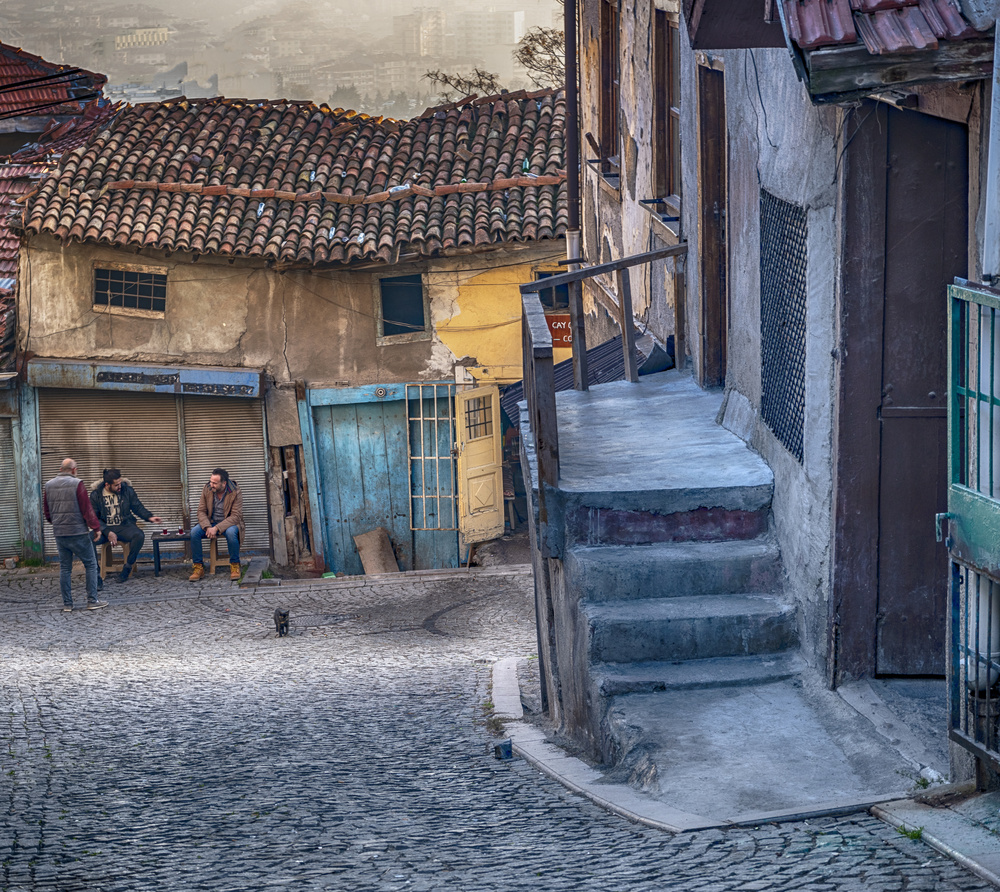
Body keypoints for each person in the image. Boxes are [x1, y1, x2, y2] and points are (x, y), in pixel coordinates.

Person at [43, 458, 108, 612]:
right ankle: (92, 600)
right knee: (90, 564)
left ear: (61, 469)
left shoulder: (48, 485)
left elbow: (47, 511)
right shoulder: (77, 483)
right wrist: (96, 527)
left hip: (60, 533)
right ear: (74, 470)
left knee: (65, 568)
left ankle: (67, 604)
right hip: (78, 532)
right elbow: (87, 509)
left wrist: (56, 523)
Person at [89, 468, 162, 583]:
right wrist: (107, 532)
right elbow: (94, 518)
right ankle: (96, 574)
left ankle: (128, 567)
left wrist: (149, 517)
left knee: (139, 535)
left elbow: (137, 507)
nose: (120, 486)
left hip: (124, 526)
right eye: (116, 485)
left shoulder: (127, 490)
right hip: (105, 529)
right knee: (88, 539)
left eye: (120, 483)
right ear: (107, 484)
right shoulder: (96, 495)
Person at [189, 468, 244, 582]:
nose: (211, 485)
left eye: (214, 483)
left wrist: (217, 528)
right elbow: (201, 511)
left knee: (231, 533)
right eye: (211, 481)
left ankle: (235, 565)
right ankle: (198, 567)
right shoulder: (207, 489)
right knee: (194, 532)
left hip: (228, 523)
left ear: (224, 483)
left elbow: (236, 516)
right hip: (210, 522)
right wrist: (208, 527)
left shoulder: (235, 491)